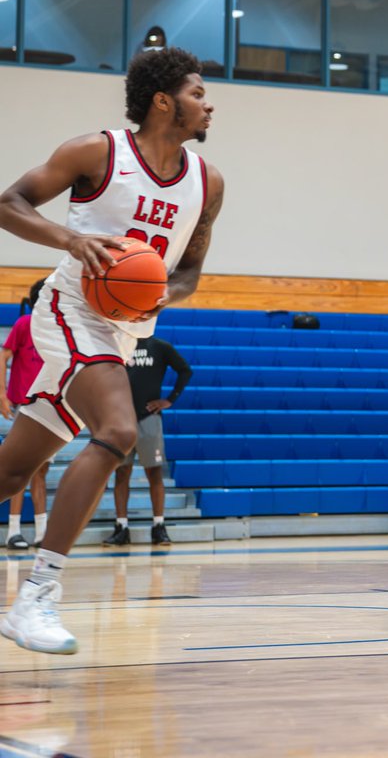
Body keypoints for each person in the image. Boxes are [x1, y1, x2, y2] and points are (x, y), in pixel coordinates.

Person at [0, 47, 224, 655]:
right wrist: (72, 240)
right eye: (199, 92)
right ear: (162, 101)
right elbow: (8, 204)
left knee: (14, 470)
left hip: (123, 333)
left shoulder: (208, 182)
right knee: (120, 429)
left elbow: (190, 272)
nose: (210, 104)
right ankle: (36, 597)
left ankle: (35, 597)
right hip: (69, 312)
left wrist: (162, 296)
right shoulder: (95, 152)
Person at [103, 334, 193, 548]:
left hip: (148, 417)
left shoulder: (160, 346)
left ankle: (159, 526)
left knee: (154, 472)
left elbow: (185, 370)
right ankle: (121, 527)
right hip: (121, 417)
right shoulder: (118, 343)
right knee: (121, 472)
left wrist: (170, 400)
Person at [1, 280, 51, 550]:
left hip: (49, 406)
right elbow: (3, 356)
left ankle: (43, 532)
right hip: (25, 403)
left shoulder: (57, 328)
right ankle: (14, 531)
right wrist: (2, 394)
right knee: (21, 469)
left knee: (41, 470)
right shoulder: (24, 324)